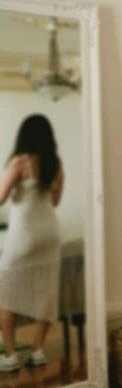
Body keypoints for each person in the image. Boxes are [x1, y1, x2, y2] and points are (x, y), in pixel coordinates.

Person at [0, 114, 64, 372]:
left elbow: (0, 198)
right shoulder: (55, 164)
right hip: (49, 233)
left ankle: (10, 356)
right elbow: (55, 201)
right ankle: (37, 350)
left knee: (5, 293)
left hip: (23, 234)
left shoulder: (19, 162)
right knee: (45, 291)